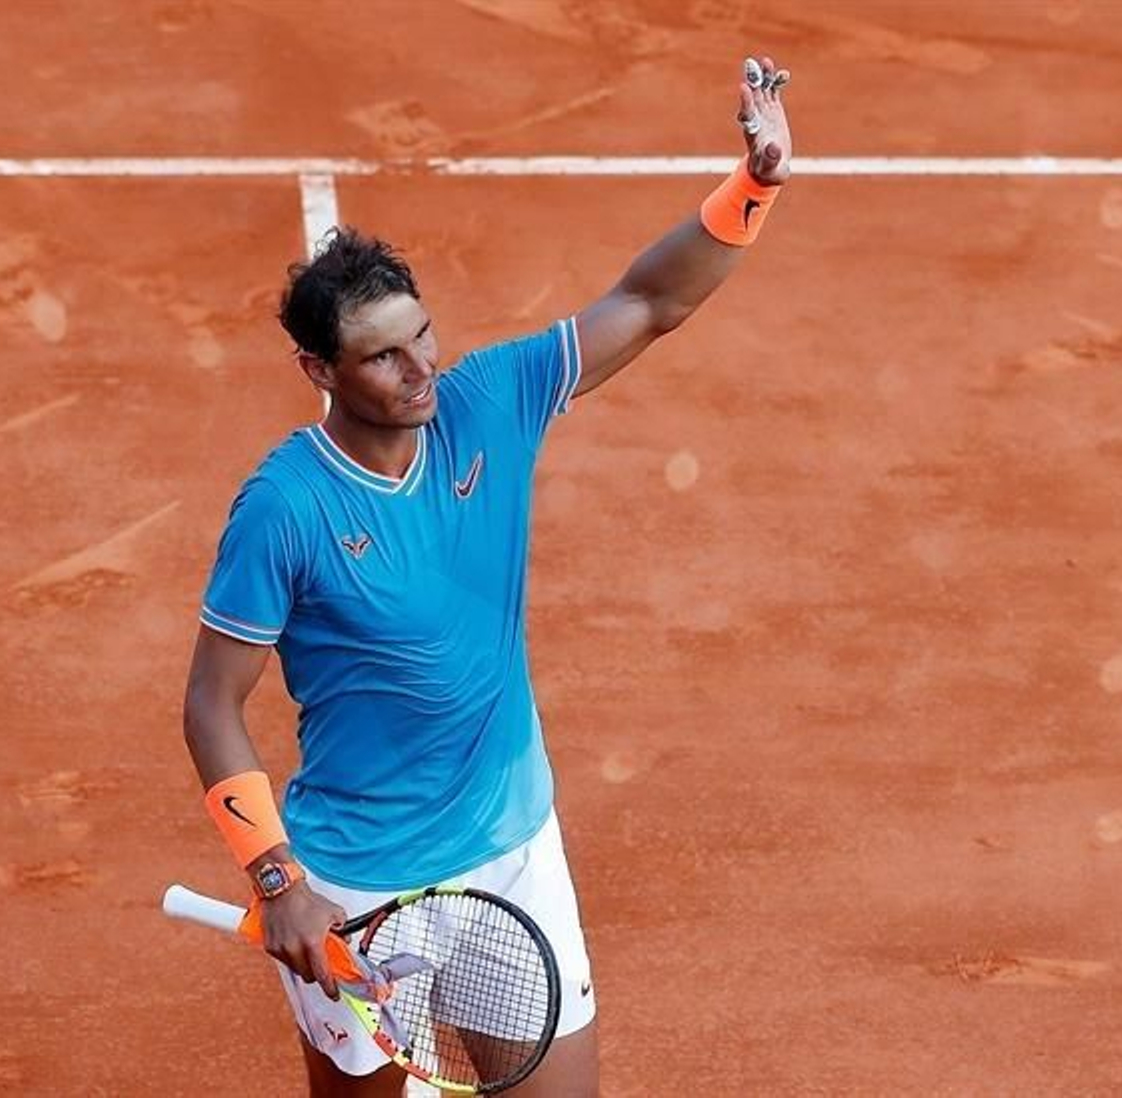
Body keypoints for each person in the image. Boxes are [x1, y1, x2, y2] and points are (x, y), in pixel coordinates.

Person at [181, 55, 794, 1096]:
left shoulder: (487, 403)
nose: (421, 371)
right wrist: (278, 880)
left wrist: (755, 183)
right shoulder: (285, 509)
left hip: (512, 850)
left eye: (422, 338)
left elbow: (648, 303)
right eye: (382, 358)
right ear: (320, 373)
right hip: (358, 881)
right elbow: (209, 705)